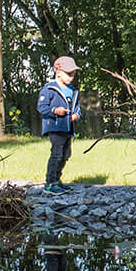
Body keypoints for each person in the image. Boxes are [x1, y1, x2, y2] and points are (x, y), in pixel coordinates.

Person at [37, 54, 79, 192]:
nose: (71, 76)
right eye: (68, 73)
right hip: (55, 127)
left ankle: (57, 179)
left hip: (67, 128)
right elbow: (41, 107)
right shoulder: (49, 89)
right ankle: (50, 183)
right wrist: (55, 110)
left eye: (73, 73)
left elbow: (77, 107)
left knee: (66, 154)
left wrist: (76, 115)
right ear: (58, 72)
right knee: (56, 154)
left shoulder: (73, 91)